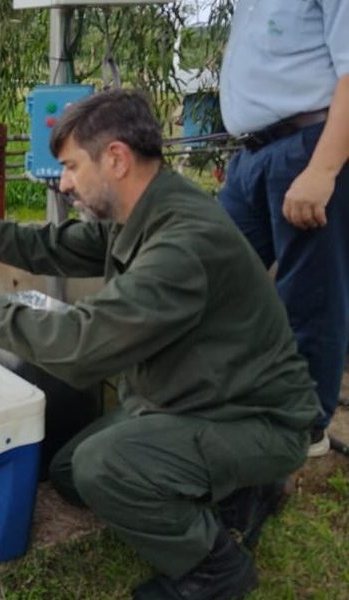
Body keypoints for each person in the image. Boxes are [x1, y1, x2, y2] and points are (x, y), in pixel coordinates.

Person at [0, 89, 320, 600]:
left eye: (72, 166)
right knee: (71, 472)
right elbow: (50, 247)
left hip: (253, 418)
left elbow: (80, 345)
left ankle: (213, 567)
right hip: (195, 396)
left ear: (116, 158)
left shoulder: (180, 244)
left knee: (105, 467)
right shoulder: (145, 211)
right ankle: (235, 490)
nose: (65, 181)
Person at [217, 0, 348, 458]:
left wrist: (323, 170)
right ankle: (231, 396)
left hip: (308, 145)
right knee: (208, 271)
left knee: (309, 294)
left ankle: (302, 426)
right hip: (252, 154)